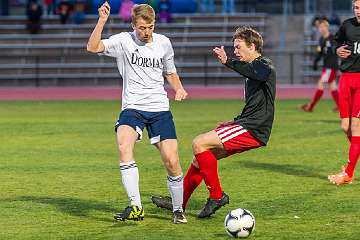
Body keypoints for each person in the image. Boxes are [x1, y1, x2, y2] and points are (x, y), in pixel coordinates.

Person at [152, 26, 276, 218]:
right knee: (200, 157)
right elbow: (256, 104)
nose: (235, 51)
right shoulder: (254, 69)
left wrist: (228, 61)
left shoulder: (264, 65)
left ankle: (217, 196)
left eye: (238, 47)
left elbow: (256, 73)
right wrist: (233, 122)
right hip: (249, 124)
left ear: (252, 46)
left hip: (253, 128)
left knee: (198, 142)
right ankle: (179, 202)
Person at [86, 3, 188, 223]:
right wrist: (102, 21)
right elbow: (92, 47)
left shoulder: (164, 43)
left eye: (150, 27)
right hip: (132, 107)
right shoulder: (123, 40)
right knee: (123, 144)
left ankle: (178, 209)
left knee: (171, 160)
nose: (146, 32)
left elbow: (170, 72)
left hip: (159, 108)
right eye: (141, 28)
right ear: (133, 25)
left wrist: (178, 88)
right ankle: (136, 207)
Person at [328, 0, 360, 185]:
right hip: (346, 79)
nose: (359, 11)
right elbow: (335, 42)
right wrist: (337, 49)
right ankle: (353, 159)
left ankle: (348, 173)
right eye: (356, 7)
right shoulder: (347, 25)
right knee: (345, 127)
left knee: (356, 127)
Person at [300, 19, 340, 113]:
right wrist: (315, 62)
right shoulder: (322, 39)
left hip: (331, 67)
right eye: (319, 27)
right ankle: (340, 106)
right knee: (333, 86)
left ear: (327, 27)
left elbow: (336, 50)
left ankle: (311, 106)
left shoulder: (332, 39)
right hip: (327, 67)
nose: (321, 29)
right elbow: (320, 53)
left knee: (321, 84)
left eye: (323, 27)